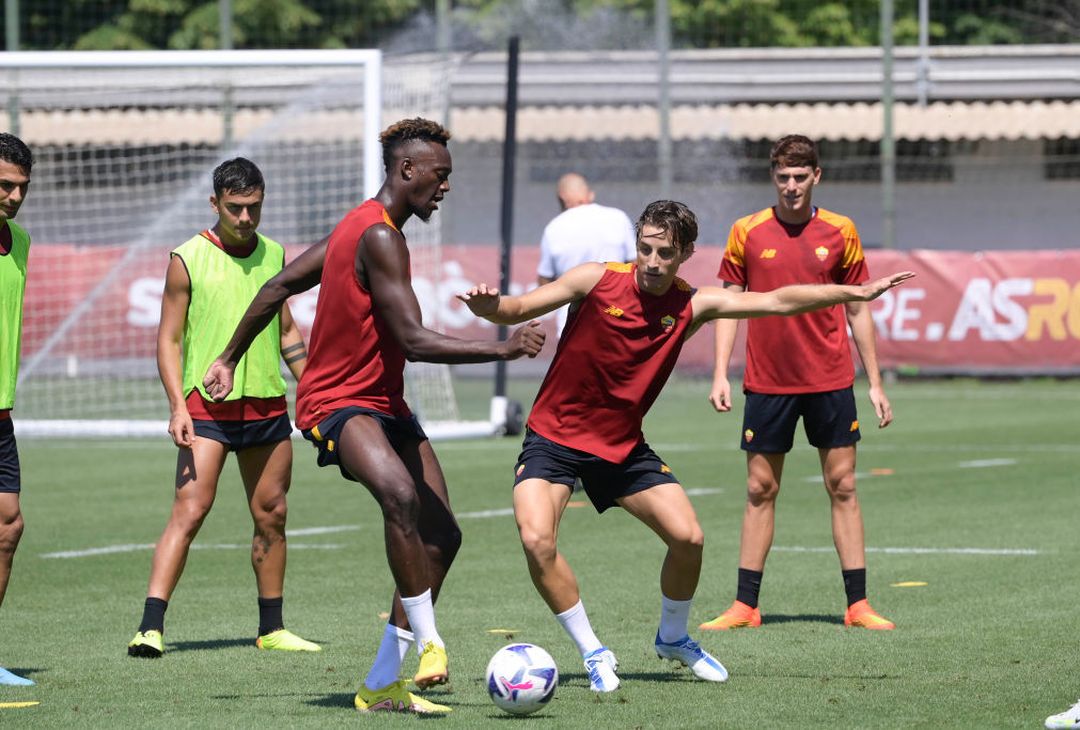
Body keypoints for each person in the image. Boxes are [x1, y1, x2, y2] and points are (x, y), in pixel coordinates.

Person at [458, 200, 913, 692]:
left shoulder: (693, 304)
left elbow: (780, 300)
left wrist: (855, 292)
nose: (651, 262)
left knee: (688, 538)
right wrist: (490, 308)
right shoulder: (595, 279)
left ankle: (673, 638)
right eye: (645, 249)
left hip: (622, 446)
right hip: (554, 438)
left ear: (686, 254)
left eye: (665, 253)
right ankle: (593, 651)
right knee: (536, 539)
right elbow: (519, 307)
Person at [202, 118, 545, 715]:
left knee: (444, 535)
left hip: (384, 403)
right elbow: (412, 338)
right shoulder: (379, 236)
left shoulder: (358, 225)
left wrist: (230, 356)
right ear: (407, 170)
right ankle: (431, 643)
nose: (445, 186)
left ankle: (382, 680)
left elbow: (277, 285)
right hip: (335, 402)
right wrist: (503, 347)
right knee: (399, 497)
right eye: (440, 176)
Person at [699, 134, 897, 633]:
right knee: (760, 488)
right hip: (767, 383)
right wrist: (721, 371)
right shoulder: (747, 231)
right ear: (774, 177)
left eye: (800, 177)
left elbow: (858, 308)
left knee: (843, 485)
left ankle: (858, 605)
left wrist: (874, 382)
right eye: (783, 177)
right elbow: (727, 305)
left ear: (816, 177)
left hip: (830, 378)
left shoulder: (841, 230)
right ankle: (745, 606)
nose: (791, 186)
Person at [128, 158, 319, 659]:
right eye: (235, 208)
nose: (245, 218)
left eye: (254, 207)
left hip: (267, 407)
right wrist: (176, 406)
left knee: (272, 515)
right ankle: (150, 627)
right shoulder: (186, 257)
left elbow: (288, 332)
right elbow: (168, 339)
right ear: (215, 204)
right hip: (206, 410)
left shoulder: (276, 254)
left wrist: (316, 390)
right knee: (190, 512)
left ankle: (272, 628)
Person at [0, 133, 35, 686]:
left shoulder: (19, 242)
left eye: (21, 188)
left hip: (1, 417)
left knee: (8, 526)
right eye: (4, 184)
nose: (13, 196)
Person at [537, 173, 636, 334]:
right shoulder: (617, 218)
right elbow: (635, 265)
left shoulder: (553, 228)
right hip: (617, 318)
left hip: (572, 325)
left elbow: (544, 282)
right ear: (590, 194)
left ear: (562, 198)